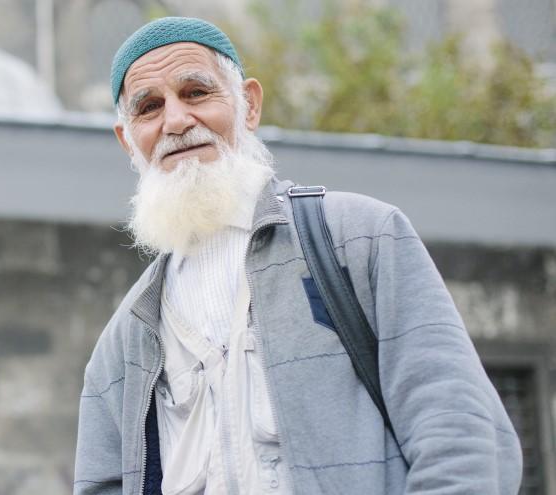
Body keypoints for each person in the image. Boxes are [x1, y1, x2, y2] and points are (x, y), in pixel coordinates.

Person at [73, 16, 523, 495]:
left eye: (197, 93)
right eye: (149, 107)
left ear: (248, 105)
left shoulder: (360, 238)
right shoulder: (128, 336)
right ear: (128, 140)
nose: (177, 121)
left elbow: (460, 435)